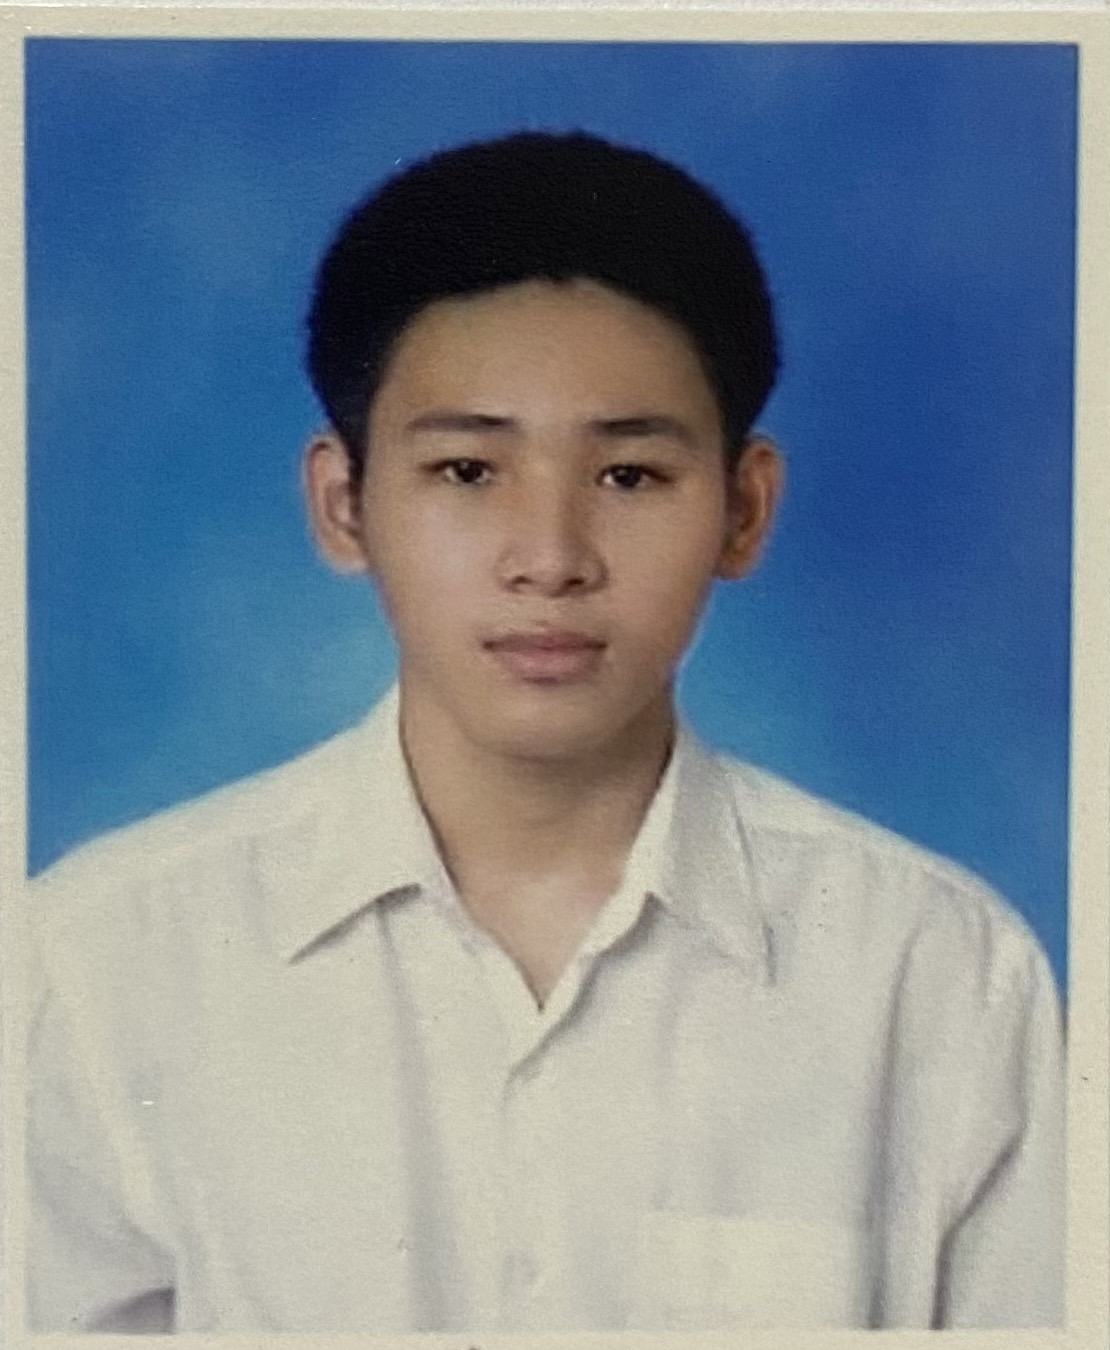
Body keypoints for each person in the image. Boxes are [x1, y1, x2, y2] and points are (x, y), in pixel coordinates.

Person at [26, 130, 1064, 1334]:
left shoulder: (938, 976)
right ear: (344, 504)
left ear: (744, 510)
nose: (551, 559)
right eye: (468, 471)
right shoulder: (99, 966)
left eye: (629, 477)